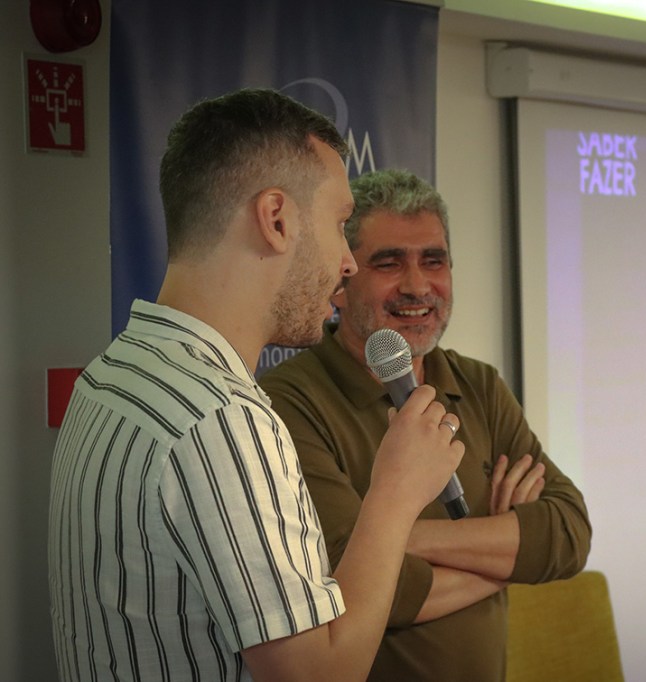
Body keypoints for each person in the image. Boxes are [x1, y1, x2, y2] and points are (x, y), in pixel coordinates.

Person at [47, 89, 464, 682]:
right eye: (340, 224)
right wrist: (396, 494)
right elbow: (319, 676)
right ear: (276, 219)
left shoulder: (113, 372)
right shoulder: (221, 419)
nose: (348, 262)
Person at [259, 168, 592, 681]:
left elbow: (568, 534)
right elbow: (359, 591)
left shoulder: (479, 384)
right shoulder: (289, 401)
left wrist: (398, 537)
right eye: (389, 263)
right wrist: (509, 555)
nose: (417, 286)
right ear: (340, 282)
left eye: (433, 261)